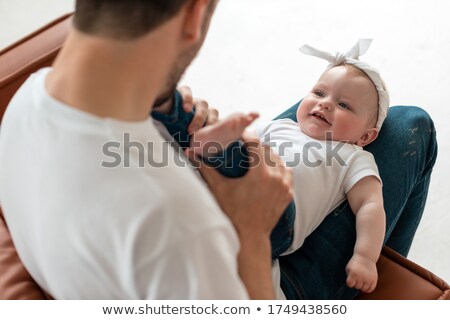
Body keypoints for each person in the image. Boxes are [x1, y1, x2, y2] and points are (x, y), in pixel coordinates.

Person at [0, 0, 437, 300]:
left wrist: (187, 134)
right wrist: (250, 229)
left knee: (295, 124)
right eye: (321, 92)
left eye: (338, 102)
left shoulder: (25, 101)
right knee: (410, 123)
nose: (324, 103)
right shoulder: (186, 228)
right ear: (193, 15)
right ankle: (369, 286)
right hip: (267, 261)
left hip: (199, 212)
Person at [155, 39, 388, 294]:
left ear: (366, 137)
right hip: (219, 199)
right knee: (234, 151)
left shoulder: (354, 156)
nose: (325, 104)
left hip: (276, 220)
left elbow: (370, 205)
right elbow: (250, 146)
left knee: (238, 159)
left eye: (344, 105)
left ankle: (199, 133)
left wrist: (365, 257)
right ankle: (169, 110)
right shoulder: (282, 126)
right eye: (319, 93)